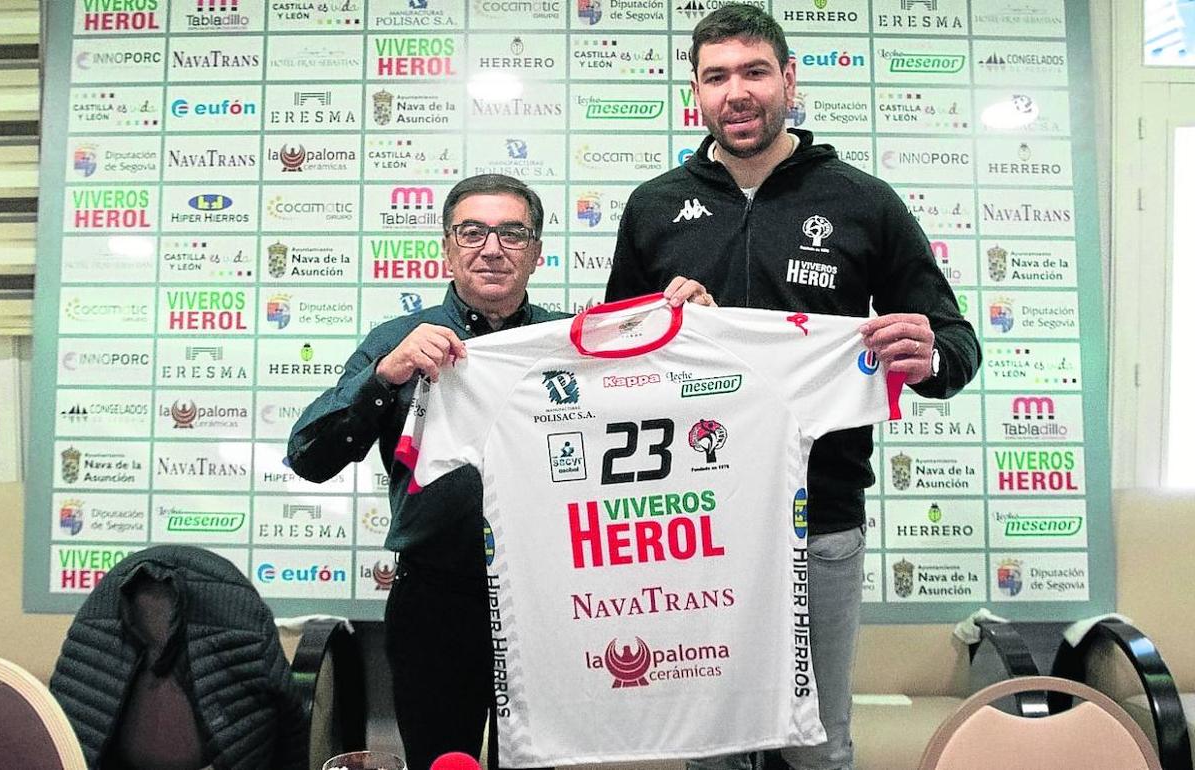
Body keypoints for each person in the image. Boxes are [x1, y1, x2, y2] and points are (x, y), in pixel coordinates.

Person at [605, 5, 982, 770]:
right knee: (711, 745)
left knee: (815, 746)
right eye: (717, 76)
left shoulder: (863, 201)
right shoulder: (652, 206)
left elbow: (956, 344)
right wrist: (657, 326)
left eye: (753, 71)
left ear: (789, 79)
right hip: (691, 520)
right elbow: (613, 364)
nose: (736, 92)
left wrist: (929, 355)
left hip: (822, 519)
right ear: (695, 92)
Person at [286, 174, 563, 770]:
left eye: (513, 233)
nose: (492, 248)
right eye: (473, 232)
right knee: (442, 762)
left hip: (548, 597)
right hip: (436, 598)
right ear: (446, 247)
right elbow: (309, 457)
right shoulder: (397, 343)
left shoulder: (566, 342)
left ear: (538, 253)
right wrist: (384, 376)